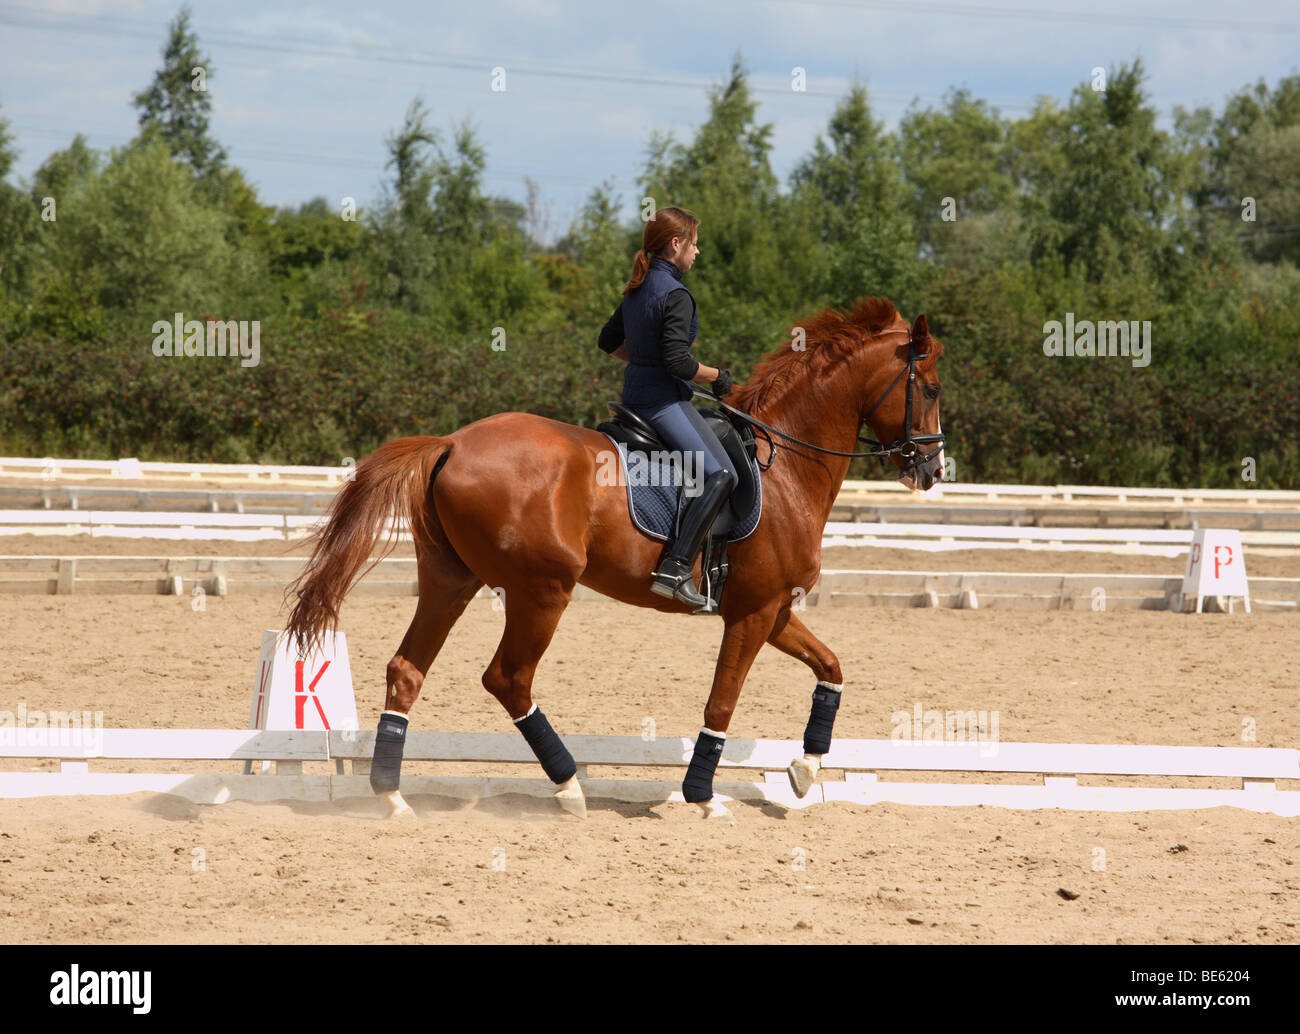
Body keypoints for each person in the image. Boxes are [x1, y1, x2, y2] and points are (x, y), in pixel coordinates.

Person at [597, 206, 738, 609]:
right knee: (719, 475)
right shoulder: (676, 294)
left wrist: (644, 362)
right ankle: (676, 568)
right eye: (694, 244)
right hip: (661, 403)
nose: (698, 252)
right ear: (676, 245)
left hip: (634, 398)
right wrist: (717, 376)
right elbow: (679, 362)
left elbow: (607, 342)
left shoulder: (638, 288)